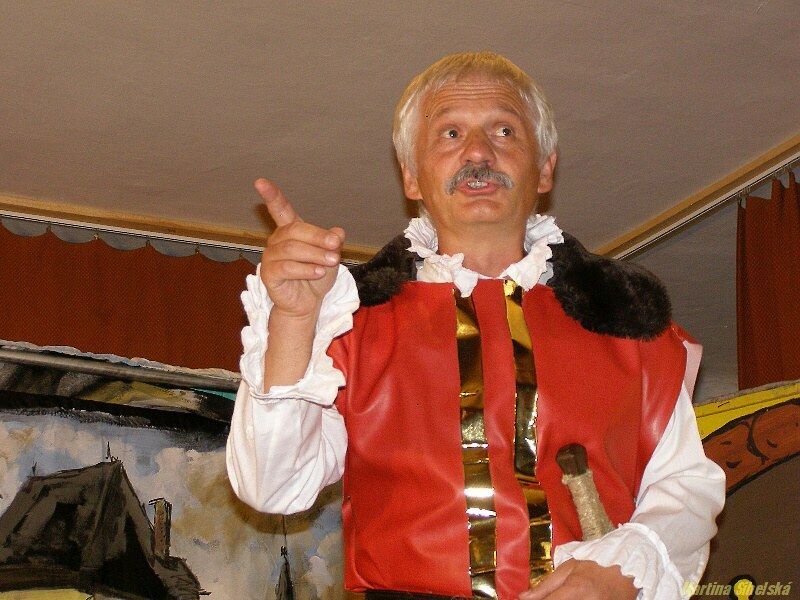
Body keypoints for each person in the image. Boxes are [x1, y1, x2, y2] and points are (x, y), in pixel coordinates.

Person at [226, 52, 725, 600]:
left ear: (546, 169)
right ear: (411, 177)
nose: (479, 153)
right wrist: (295, 321)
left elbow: (685, 486)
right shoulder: (349, 325)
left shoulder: (628, 323)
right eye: (451, 134)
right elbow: (273, 488)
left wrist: (624, 569)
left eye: (504, 130)